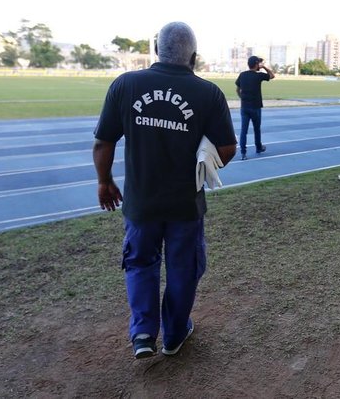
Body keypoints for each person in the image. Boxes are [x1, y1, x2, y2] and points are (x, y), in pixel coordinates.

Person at [93, 22, 237, 359]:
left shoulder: (126, 84)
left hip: (141, 203)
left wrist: (104, 181)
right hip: (186, 204)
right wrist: (204, 158)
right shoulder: (209, 93)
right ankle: (173, 335)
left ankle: (143, 332)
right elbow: (227, 149)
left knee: (141, 263)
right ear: (194, 57)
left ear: (156, 50)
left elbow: (104, 141)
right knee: (183, 268)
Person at [235, 56, 275, 160]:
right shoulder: (259, 76)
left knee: (244, 131)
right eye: (259, 63)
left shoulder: (242, 75)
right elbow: (272, 75)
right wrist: (264, 67)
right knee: (257, 129)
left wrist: (242, 99)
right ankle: (258, 148)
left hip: (244, 107)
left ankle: (243, 153)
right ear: (257, 64)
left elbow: (237, 90)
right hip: (256, 107)